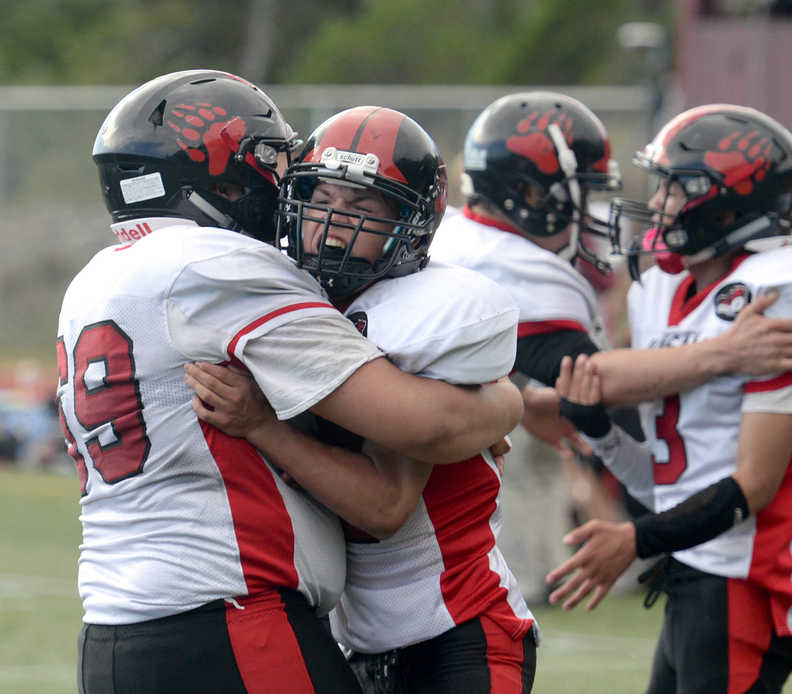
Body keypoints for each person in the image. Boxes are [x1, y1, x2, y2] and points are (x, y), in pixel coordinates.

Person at [57, 70, 522, 694]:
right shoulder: (222, 265)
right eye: (270, 164)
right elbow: (428, 426)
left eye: (361, 207)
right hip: (226, 617)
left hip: (114, 625)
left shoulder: (96, 278)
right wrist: (503, 403)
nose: (282, 189)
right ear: (223, 174)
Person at [189, 105, 538, 694]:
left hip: (458, 628)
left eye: (361, 208)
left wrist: (262, 425)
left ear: (411, 222)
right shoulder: (292, 299)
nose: (331, 223)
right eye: (320, 199)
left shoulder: (422, 311)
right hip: (355, 642)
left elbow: (383, 508)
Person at [431, 92, 792, 603]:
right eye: (577, 194)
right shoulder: (519, 268)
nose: (587, 212)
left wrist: (529, 404)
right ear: (529, 196)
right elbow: (596, 376)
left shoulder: (458, 236)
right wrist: (725, 352)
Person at [546, 104, 792, 694]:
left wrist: (637, 539)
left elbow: (754, 486)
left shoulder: (783, 289)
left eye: (676, 188)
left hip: (747, 580)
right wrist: (601, 430)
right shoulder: (663, 287)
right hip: (694, 565)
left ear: (732, 202)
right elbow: (665, 483)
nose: (658, 203)